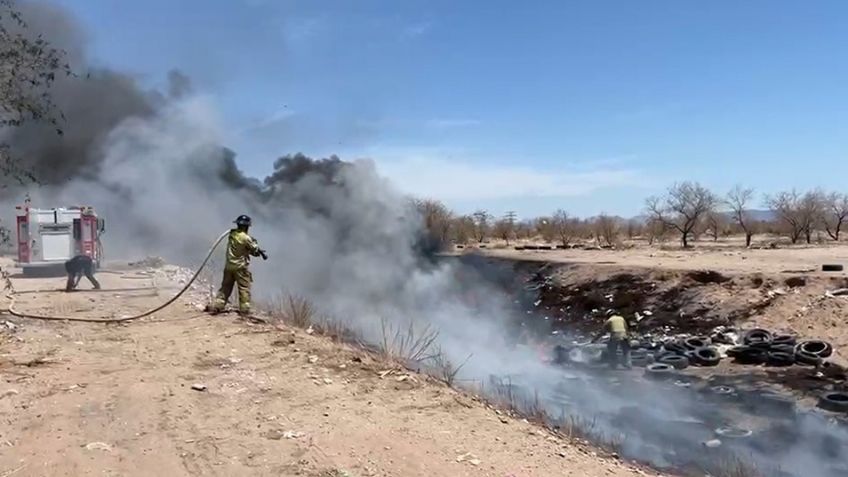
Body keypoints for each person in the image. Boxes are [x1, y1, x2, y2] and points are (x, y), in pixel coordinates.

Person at [210, 215, 267, 316]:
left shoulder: (232, 234)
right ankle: (244, 311)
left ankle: (218, 306)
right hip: (240, 268)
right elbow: (254, 250)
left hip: (229, 266)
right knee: (244, 288)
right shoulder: (246, 238)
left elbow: (241, 247)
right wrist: (259, 251)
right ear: (246, 226)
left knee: (225, 287)